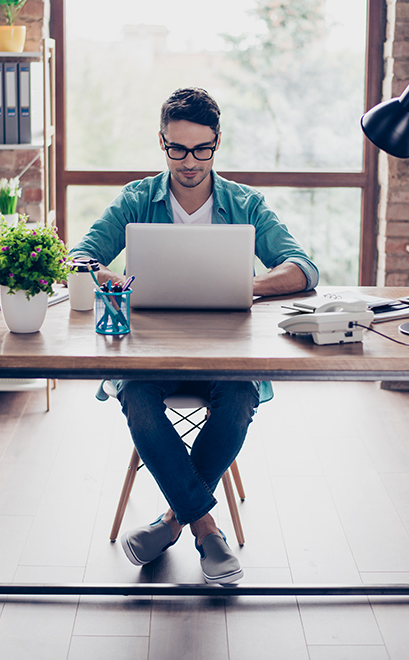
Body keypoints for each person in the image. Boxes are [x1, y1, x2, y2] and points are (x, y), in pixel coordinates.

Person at [70, 87, 319, 584]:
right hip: (149, 352)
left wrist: (245, 285)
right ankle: (205, 529)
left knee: (238, 400)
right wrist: (108, 276)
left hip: (227, 352)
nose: (189, 161)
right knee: (137, 400)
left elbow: (304, 269)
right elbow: (80, 257)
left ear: (218, 142)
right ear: (161, 141)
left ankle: (169, 522)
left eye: (201, 149)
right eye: (176, 148)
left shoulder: (245, 202)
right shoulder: (137, 198)